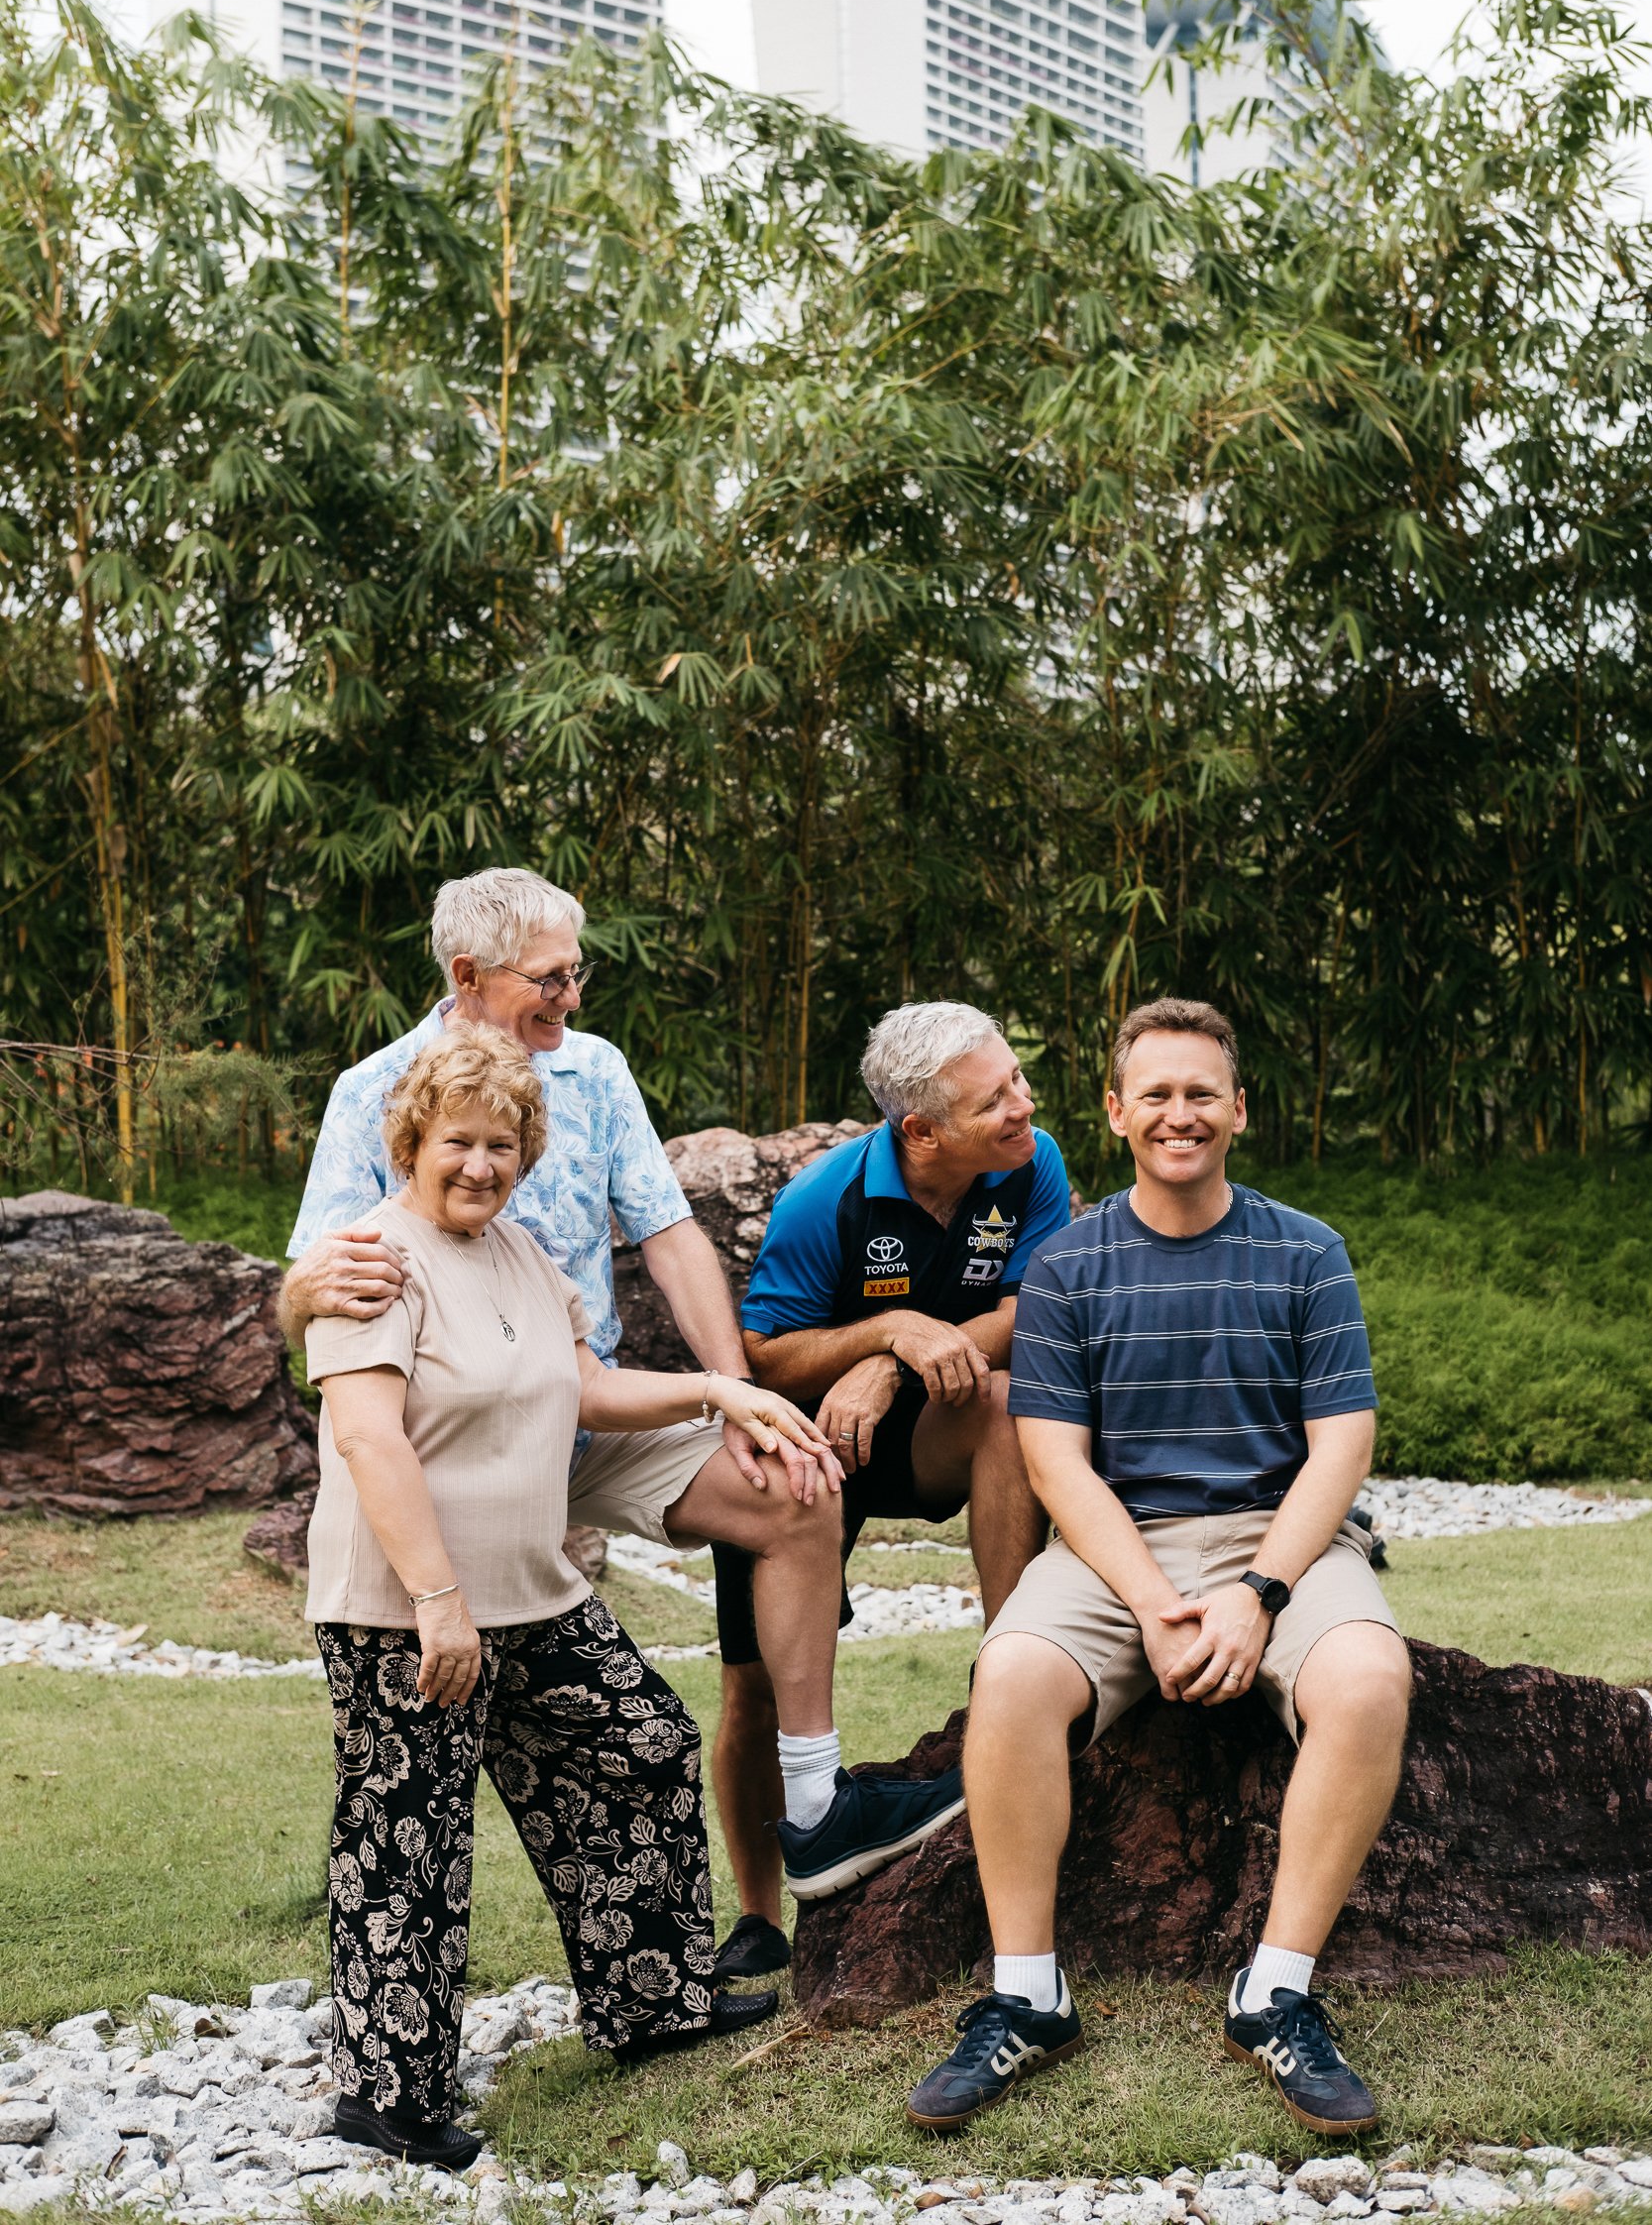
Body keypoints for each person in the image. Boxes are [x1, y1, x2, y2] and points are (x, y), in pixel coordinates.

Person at [281, 867, 959, 1981]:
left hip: (586, 1407)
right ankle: (401, 2046)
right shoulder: (374, 1092)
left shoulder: (591, 1074)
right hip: (458, 1451)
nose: (572, 996)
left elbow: (668, 1234)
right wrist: (307, 1296)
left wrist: (735, 1391)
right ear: (467, 976)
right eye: (551, 977)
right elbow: (310, 1280)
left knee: (797, 1485)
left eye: (575, 970)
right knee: (427, 1784)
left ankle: (814, 1800)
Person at [307, 1024, 829, 2168]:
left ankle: (650, 1999)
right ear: (409, 1139)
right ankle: (387, 2094)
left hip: (533, 1592)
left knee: (638, 1742)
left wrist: (712, 1391)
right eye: (458, 1141)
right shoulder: (371, 1261)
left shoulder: (522, 1255)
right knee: (412, 1832)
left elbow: (582, 1383)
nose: (480, 1164)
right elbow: (367, 1438)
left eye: (503, 1144)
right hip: (407, 1604)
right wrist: (435, 1600)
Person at [904, 996, 1412, 2139]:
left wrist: (1255, 1595)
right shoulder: (1068, 1266)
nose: (1177, 1114)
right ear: (1113, 1112)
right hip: (1113, 1543)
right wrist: (1149, 1602)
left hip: (1277, 1534)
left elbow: (1339, 1447)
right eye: (1154, 1094)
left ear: (1236, 1108)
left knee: (1370, 1682)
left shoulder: (1304, 1251)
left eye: (1199, 1093)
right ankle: (1025, 1997)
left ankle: (1273, 1991)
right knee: (1013, 1678)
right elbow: (1053, 1459)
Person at [735, 1001, 1072, 1901]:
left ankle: (1010, 1673)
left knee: (1008, 1403)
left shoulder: (1031, 1166)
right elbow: (763, 1355)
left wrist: (898, 1366)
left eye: (1015, 1078)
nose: (1023, 1104)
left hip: (927, 1427)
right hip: (802, 1450)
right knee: (752, 1690)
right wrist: (888, 1333)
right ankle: (763, 1915)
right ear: (919, 1130)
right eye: (995, 1097)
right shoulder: (823, 1199)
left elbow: (1029, 1313)